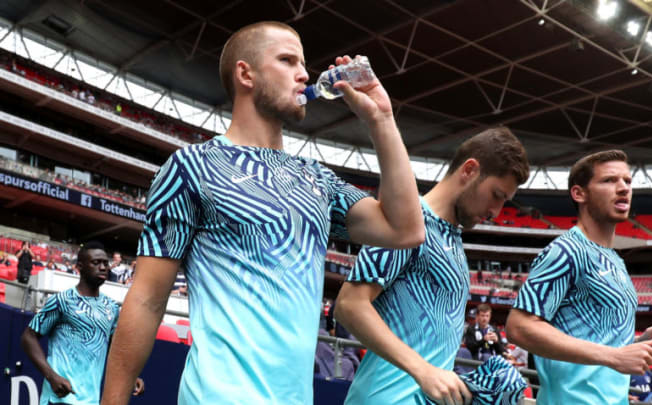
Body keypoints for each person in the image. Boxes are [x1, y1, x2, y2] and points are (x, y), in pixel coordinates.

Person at [101, 21, 424, 405]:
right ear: (245, 74)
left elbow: (404, 230)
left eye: (303, 64)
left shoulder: (316, 177)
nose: (304, 74)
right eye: (287, 60)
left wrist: (381, 119)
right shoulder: (191, 166)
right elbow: (147, 299)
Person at [334, 127, 529, 405]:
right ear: (470, 170)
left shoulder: (453, 241)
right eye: (496, 194)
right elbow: (349, 305)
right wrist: (422, 369)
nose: (496, 212)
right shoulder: (409, 224)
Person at [506, 150, 652, 405]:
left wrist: (640, 345)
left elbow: (600, 350)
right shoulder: (566, 251)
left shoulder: (615, 259)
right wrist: (614, 356)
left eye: (627, 181)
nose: (623, 188)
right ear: (579, 193)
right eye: (609, 180)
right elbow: (519, 327)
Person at [20, 241, 144, 405]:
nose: (103, 267)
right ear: (80, 266)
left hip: (90, 401)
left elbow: (114, 349)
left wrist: (130, 376)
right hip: (58, 399)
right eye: (96, 262)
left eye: (105, 263)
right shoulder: (61, 301)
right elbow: (28, 337)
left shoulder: (112, 308)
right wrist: (52, 376)